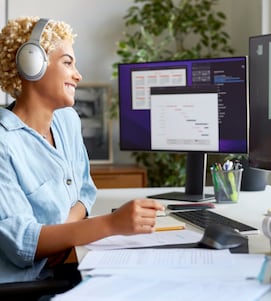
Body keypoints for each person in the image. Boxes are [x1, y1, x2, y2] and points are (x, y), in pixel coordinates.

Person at [0, 16, 164, 286]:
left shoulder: (67, 120)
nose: (78, 74)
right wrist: (112, 223)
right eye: (67, 63)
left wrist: (60, 234)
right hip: (25, 287)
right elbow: (22, 243)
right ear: (32, 64)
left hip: (65, 267)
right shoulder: (5, 143)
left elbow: (85, 191)